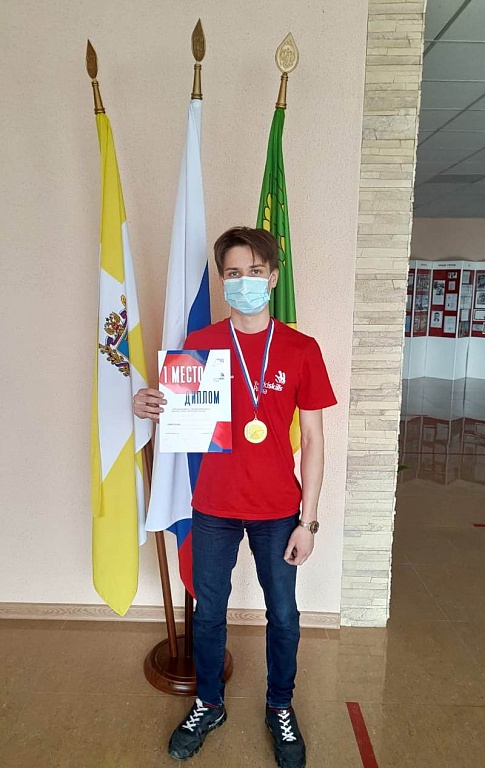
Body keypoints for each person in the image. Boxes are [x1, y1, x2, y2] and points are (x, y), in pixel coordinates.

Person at [134, 227, 336, 767]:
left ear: (273, 277)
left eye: (254, 272)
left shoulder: (301, 349)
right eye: (232, 273)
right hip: (213, 507)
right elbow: (177, 418)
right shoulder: (199, 344)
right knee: (208, 614)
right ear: (223, 281)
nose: (244, 282)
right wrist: (147, 403)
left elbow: (314, 439)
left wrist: (308, 521)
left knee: (284, 616)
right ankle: (209, 703)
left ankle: (280, 706)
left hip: (278, 510)